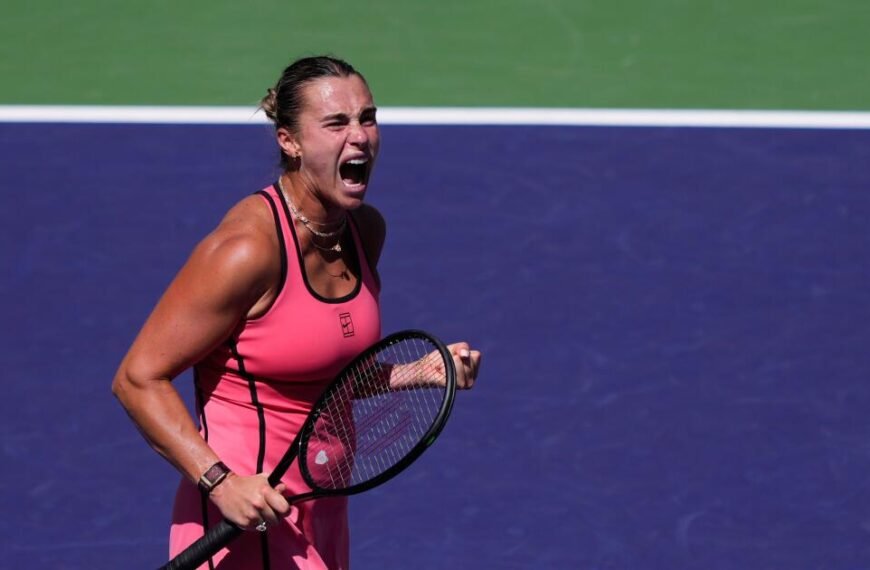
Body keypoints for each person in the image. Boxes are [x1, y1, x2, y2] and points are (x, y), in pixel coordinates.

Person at [111, 55, 482, 570]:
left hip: (319, 507)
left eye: (367, 118)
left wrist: (415, 372)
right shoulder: (246, 251)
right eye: (336, 123)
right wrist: (220, 482)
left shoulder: (362, 232)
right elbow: (136, 379)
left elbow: (316, 368)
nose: (360, 137)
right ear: (289, 141)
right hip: (247, 519)